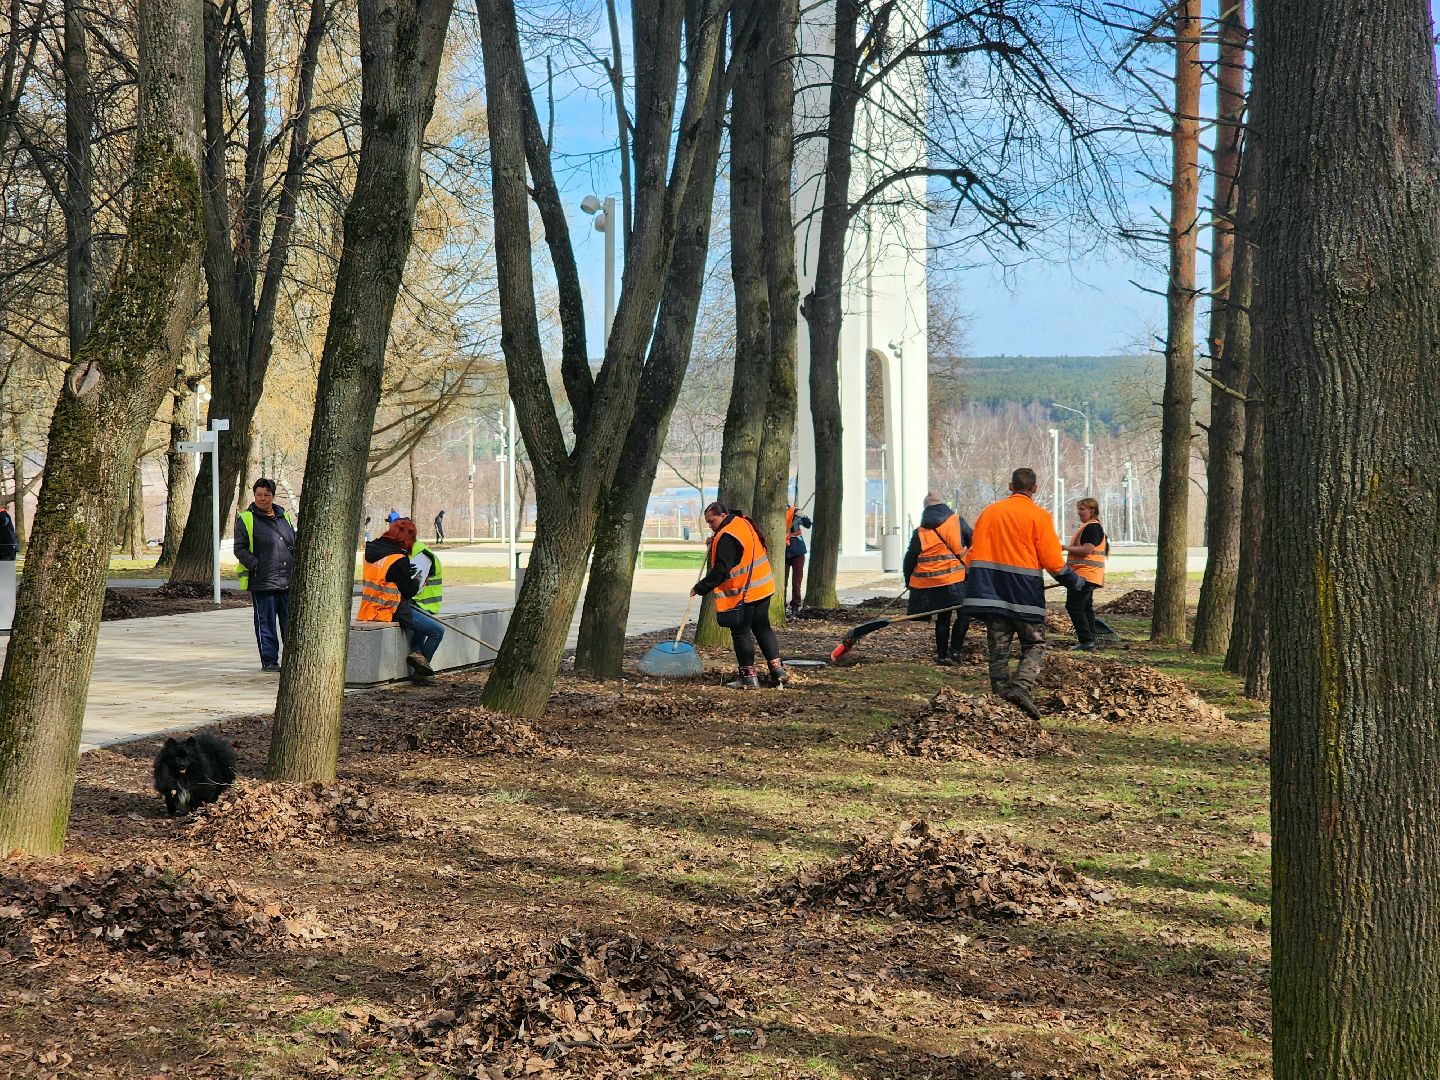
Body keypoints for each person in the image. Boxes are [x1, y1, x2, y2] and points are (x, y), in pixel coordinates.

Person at [962, 468, 1083, 720]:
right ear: (1035, 488)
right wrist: (1075, 581)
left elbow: (972, 553)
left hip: (990, 593)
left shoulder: (989, 512)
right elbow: (1051, 559)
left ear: (1010, 486)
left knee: (998, 648)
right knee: (1034, 643)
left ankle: (999, 698)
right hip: (1024, 593)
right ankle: (1021, 687)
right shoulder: (1039, 516)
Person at [692, 500, 787, 690]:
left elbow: (721, 570)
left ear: (723, 516)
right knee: (762, 628)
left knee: (741, 632)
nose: (711, 526)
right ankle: (778, 671)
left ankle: (748, 678)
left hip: (746, 592)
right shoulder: (742, 522)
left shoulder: (727, 537)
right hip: (763, 586)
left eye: (712, 522)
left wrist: (701, 587)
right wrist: (715, 540)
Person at [359, 517, 445, 678]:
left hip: (369, 607)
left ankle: (418, 654)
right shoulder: (397, 559)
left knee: (422, 616)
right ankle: (422, 673)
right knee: (437, 631)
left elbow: (385, 579)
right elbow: (409, 591)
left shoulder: (371, 552)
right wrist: (416, 579)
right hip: (391, 608)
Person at [902, 492, 973, 666]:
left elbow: (910, 558)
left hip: (934, 583)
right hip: (958, 578)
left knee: (943, 618)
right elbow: (973, 540)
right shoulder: (957, 521)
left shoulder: (920, 531)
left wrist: (908, 580)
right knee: (964, 615)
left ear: (925, 509)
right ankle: (954, 652)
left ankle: (941, 655)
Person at [235, 478, 297, 673]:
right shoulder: (246, 518)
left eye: (267, 494)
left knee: (289, 622)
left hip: (287, 579)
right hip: (263, 580)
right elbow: (240, 549)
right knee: (266, 622)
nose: (263, 498)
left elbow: (292, 542)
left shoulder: (283, 516)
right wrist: (256, 565)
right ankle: (270, 660)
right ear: (254, 496)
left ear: (273, 495)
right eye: (259, 495)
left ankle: (292, 659)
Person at [1062, 497, 1108, 651]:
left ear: (1091, 511)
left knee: (1074, 606)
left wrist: (1065, 548)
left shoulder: (1092, 528)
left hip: (1084, 575)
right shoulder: (1089, 527)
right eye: (1078, 509)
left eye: (1082, 509)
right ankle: (1090, 640)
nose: (1079, 512)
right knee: (1085, 607)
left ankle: (1086, 641)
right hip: (1088, 575)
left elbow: (1087, 550)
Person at [783, 504, 813, 615]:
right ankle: (782, 604)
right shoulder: (777, 512)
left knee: (796, 582)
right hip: (783, 552)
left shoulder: (795, 511)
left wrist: (804, 517)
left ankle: (795, 605)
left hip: (797, 552)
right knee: (782, 581)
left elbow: (808, 524)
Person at [410, 533, 444, 615]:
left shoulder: (421, 555)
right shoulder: (408, 550)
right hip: (414, 604)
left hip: (422, 606)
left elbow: (414, 588)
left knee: (438, 628)